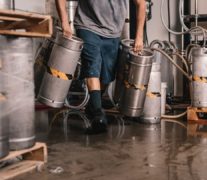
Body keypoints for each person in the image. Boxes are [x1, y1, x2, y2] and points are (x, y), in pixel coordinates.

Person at [55, 0, 146, 132]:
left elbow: (141, 4)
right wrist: (64, 22)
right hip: (87, 25)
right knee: (93, 66)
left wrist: (139, 37)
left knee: (106, 76)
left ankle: (93, 106)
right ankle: (98, 114)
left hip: (113, 32)